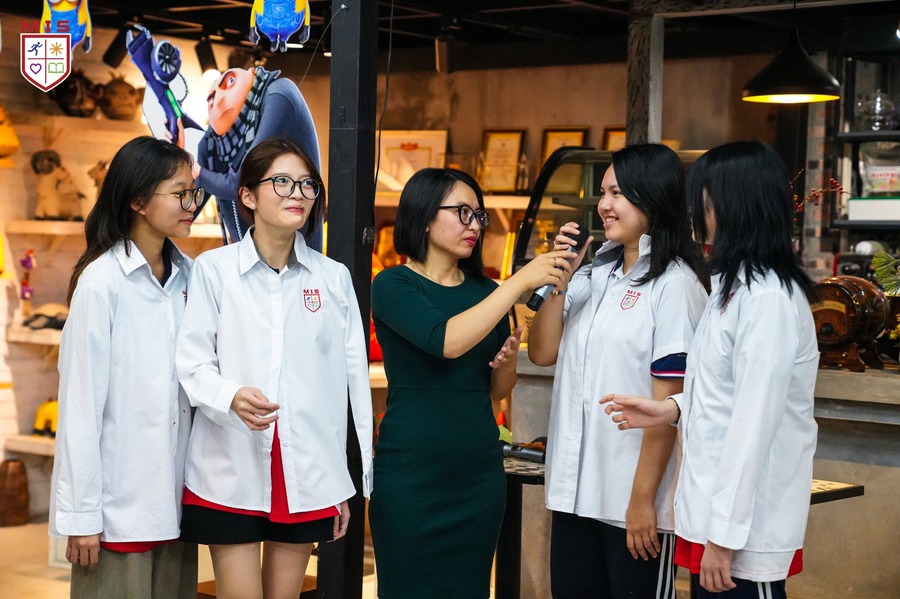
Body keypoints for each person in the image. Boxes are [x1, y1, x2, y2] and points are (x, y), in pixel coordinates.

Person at [601, 141, 819, 599]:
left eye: (702, 199)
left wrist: (724, 536)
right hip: (710, 513)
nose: (693, 212)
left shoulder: (768, 298)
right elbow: (723, 390)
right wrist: (671, 409)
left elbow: (753, 423)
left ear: (735, 203)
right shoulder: (729, 286)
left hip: (743, 530)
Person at [176, 137, 372, 599]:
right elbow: (192, 362)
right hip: (230, 464)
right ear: (247, 196)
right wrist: (230, 396)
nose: (297, 194)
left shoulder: (332, 277)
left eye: (307, 185)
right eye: (282, 182)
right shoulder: (214, 270)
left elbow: (349, 387)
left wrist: (341, 483)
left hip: (306, 470)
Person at [368, 167, 576, 598]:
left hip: (477, 476)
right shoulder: (393, 284)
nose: (474, 224)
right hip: (411, 474)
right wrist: (518, 282)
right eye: (462, 212)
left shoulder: (485, 290)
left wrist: (505, 364)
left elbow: (497, 390)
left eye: (478, 215)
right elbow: (445, 341)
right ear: (424, 217)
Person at [527, 144, 708, 599]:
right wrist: (559, 280)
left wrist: (642, 501)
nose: (605, 205)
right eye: (603, 193)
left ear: (654, 196)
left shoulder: (675, 283)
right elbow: (542, 352)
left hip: (632, 502)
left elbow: (668, 404)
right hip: (573, 493)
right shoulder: (594, 274)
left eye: (618, 194)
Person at [50, 136, 201, 598]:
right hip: (118, 511)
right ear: (138, 200)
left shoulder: (190, 277)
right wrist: (82, 518)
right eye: (180, 193)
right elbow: (80, 408)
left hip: (178, 504)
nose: (192, 205)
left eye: (193, 192)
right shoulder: (101, 284)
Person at [194, 66, 322, 248]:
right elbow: (197, 191)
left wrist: (198, 173)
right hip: (246, 252)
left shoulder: (278, 95)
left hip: (293, 249)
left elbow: (240, 182)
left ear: (252, 72)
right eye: (212, 99)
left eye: (229, 81)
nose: (220, 100)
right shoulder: (225, 134)